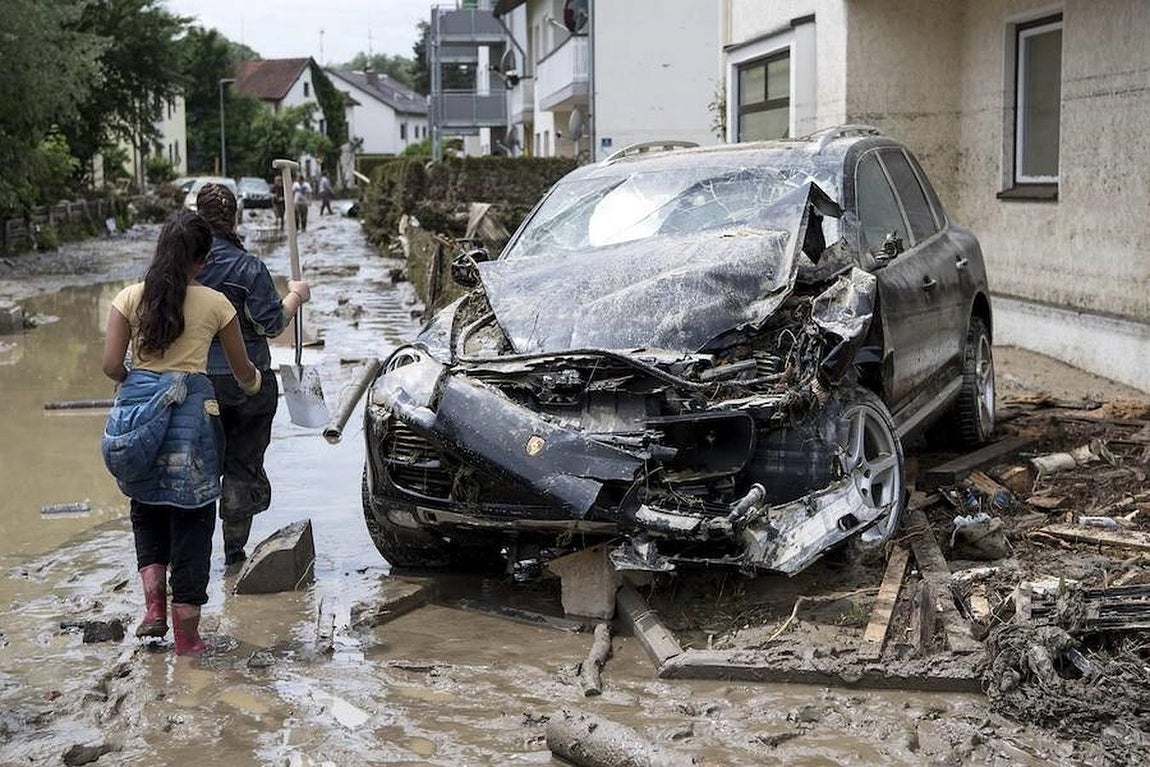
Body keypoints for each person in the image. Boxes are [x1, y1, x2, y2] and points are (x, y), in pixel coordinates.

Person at [101, 210, 263, 656]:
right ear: (203, 259)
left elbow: (112, 366)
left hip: (140, 417)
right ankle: (188, 640)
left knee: (147, 504)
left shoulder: (129, 298)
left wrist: (143, 384)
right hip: (195, 420)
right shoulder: (215, 304)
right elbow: (240, 368)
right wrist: (253, 386)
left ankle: (154, 609)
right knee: (193, 518)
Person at [194, 183, 311, 571]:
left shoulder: (184, 269)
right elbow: (271, 323)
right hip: (249, 380)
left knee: (199, 464)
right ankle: (233, 554)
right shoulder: (248, 268)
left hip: (196, 382)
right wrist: (296, 296)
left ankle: (191, 558)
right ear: (235, 217)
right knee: (242, 462)